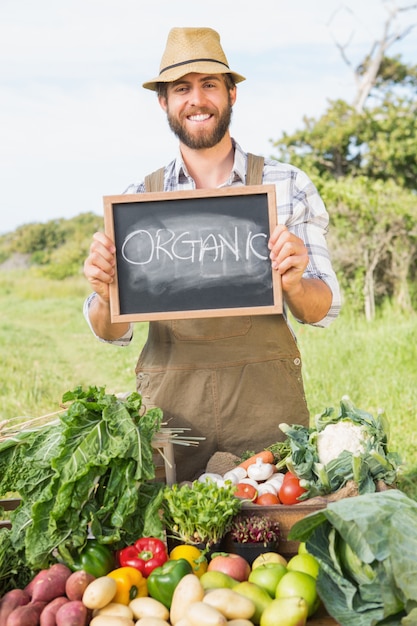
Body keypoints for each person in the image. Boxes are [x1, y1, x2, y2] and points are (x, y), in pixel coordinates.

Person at [83, 27, 341, 482]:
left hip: (265, 405)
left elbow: (322, 309)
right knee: (171, 539)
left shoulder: (287, 184)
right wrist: (105, 295)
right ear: (163, 101)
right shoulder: (137, 202)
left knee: (274, 537)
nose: (196, 99)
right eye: (182, 88)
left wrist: (297, 284)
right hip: (171, 415)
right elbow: (111, 331)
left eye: (209, 85)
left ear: (232, 94)